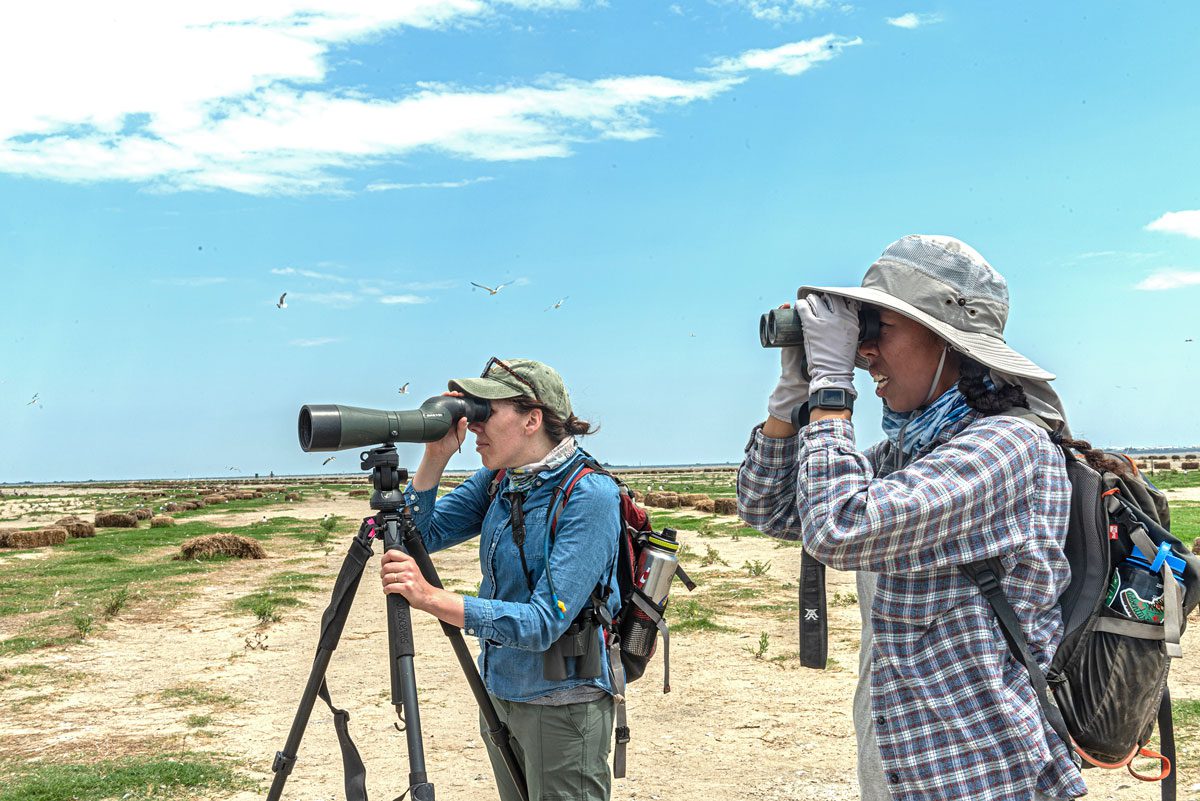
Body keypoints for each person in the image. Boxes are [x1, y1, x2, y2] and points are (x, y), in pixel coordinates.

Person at [737, 235, 1087, 801]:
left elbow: (838, 528)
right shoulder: (911, 456)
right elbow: (770, 509)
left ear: (950, 341)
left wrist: (831, 391)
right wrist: (788, 402)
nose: (862, 351)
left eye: (876, 329)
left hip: (987, 777)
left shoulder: (1008, 446)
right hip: (907, 769)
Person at [380, 357, 620, 801]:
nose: (474, 426)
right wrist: (435, 455)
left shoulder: (589, 495)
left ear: (533, 419)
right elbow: (421, 535)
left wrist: (435, 600)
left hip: (562, 706)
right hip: (500, 692)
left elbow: (544, 622)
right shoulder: (500, 479)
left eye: (486, 412)